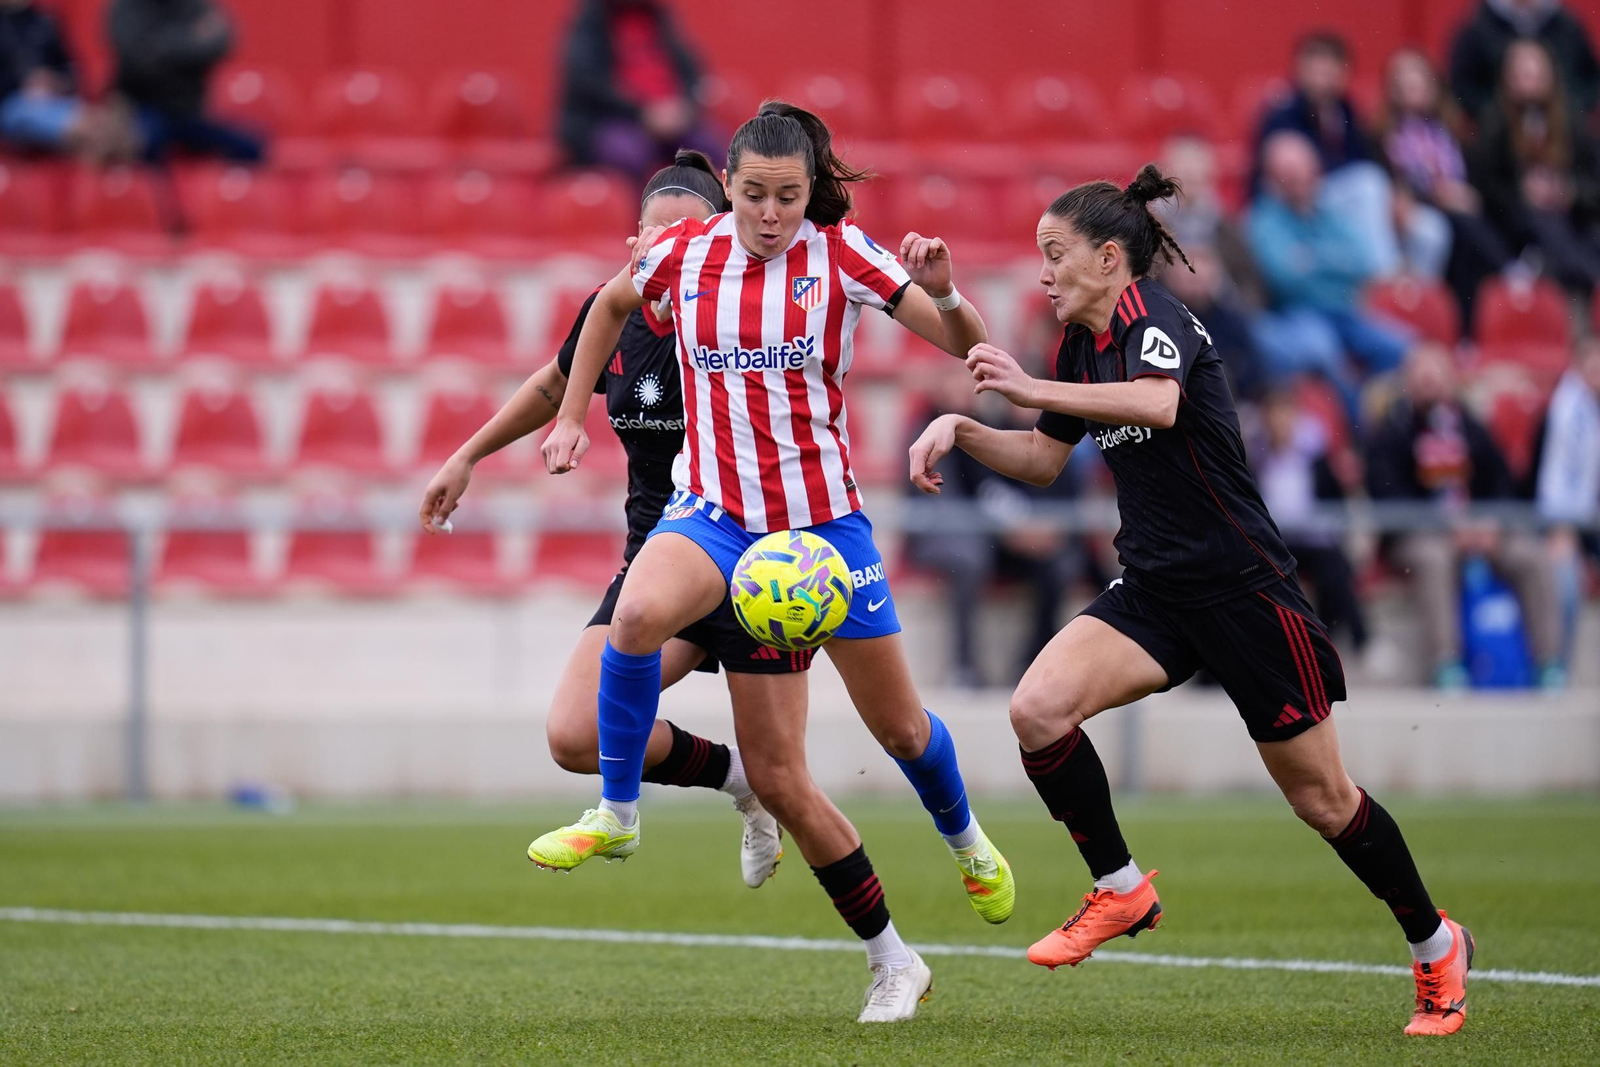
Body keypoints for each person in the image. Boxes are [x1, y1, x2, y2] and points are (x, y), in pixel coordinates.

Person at [908, 165, 1475, 1037]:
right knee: (1038, 709)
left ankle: (1436, 945)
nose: (1045, 273)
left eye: (1055, 255)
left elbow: (1157, 404)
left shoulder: (1157, 320)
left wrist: (1025, 388)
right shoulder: (1076, 349)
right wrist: (965, 430)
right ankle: (1120, 887)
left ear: (1108, 258)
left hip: (1245, 589)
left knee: (1323, 800)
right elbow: (1043, 461)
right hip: (1156, 589)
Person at [531, 101, 1017, 1022]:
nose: (768, 214)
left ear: (810, 191)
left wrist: (948, 292)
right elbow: (608, 303)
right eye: (753, 194)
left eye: (786, 197)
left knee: (899, 730)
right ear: (731, 186)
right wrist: (566, 419)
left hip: (819, 532)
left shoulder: (842, 254)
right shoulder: (687, 249)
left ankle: (967, 842)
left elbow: (963, 345)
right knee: (634, 617)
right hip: (711, 517)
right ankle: (619, 814)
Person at [420, 151, 789, 892]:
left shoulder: (734, 320)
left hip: (744, 550)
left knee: (816, 766)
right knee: (573, 735)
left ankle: (905, 908)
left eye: (692, 234)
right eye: (656, 236)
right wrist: (468, 456)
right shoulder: (611, 314)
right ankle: (742, 783)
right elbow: (556, 382)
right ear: (634, 244)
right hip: (656, 554)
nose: (671, 250)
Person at [1365, 343, 1563, 688]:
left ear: (1451, 380)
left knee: (1530, 557)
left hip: (1479, 531)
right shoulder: (1393, 430)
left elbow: (1502, 480)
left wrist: (1490, 521)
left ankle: (1548, 663)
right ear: (1408, 381)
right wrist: (1443, 524)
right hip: (1418, 535)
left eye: (1436, 374)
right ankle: (1447, 664)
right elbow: (1385, 492)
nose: (1429, 382)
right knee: (1434, 559)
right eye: (1421, 375)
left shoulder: (1469, 426)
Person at [903, 360, 1089, 688]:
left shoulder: (981, 425)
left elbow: (994, 490)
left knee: (1058, 563)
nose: (963, 389)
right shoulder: (923, 429)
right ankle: (964, 669)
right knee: (969, 558)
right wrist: (1010, 528)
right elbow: (941, 501)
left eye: (967, 382)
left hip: (990, 535)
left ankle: (1032, 665)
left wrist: (1023, 528)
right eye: (953, 379)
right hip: (945, 538)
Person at [1253, 31, 1450, 278]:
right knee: (1368, 185)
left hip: (1348, 200)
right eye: (1317, 64)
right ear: (1300, 68)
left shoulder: (1346, 110)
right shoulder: (1283, 114)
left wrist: (1397, 196)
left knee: (1431, 230)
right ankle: (1385, 279)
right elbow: (1274, 176)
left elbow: (1370, 158)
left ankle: (1414, 305)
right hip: (1303, 202)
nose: (1325, 73)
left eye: (1332, 65)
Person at [1248, 131, 1412, 425]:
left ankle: (1384, 412)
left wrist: (1311, 260)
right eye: (1287, 173)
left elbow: (1362, 262)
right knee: (1324, 351)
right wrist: (1333, 262)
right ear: (1272, 178)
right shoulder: (1263, 220)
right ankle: (1359, 424)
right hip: (1296, 315)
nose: (1298, 179)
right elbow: (1284, 277)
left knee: (1403, 348)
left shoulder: (1330, 212)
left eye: (1302, 170)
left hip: (1347, 313)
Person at [1378, 48, 1513, 323]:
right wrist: (1436, 195)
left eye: (1419, 82)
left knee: (1466, 228)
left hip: (1455, 213)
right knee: (1455, 224)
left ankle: (1469, 326)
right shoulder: (1382, 136)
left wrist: (1462, 196)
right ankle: (1510, 271)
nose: (1413, 90)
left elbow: (1470, 185)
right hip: (1414, 215)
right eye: (1405, 83)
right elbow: (1391, 189)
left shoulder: (1452, 135)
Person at [1468, 39, 1600, 293]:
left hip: (1575, 217)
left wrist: (1569, 193)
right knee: (1546, 227)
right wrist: (1524, 195)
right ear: (1507, 77)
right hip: (1519, 227)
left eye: (1535, 72)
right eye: (1521, 72)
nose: (1528, 80)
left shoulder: (1573, 123)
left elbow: (1593, 181)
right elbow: (1484, 187)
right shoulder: (1494, 125)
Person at [1247, 388, 1368, 651]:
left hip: (1312, 538)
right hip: (1272, 542)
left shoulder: (1315, 456)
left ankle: (1339, 639)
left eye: (1286, 414)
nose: (1281, 421)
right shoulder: (1255, 458)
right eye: (1275, 414)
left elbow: (1334, 499)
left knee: (1336, 567)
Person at [556, 0, 722, 181]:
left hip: (672, 119)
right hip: (614, 119)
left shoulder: (658, 18)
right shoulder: (590, 23)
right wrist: (643, 112)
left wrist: (684, 107)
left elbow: (690, 70)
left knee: (711, 150)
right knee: (628, 155)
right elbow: (588, 83)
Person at [106, 0, 264, 163]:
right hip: (140, 109)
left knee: (251, 146)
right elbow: (135, 59)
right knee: (145, 144)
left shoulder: (196, 5)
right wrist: (191, 40)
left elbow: (222, 42)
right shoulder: (126, 7)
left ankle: (225, 188)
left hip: (190, 113)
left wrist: (158, 45)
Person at [1527, 339, 1600, 673]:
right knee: (1565, 580)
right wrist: (1562, 530)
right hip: (1564, 522)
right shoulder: (1565, 411)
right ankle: (1557, 665)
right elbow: (1556, 484)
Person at [0, 0, 130, 158]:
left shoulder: (42, 21)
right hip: (12, 104)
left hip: (59, 101)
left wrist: (55, 84)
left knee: (93, 109)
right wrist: (25, 86)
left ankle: (97, 141)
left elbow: (72, 72)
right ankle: (97, 137)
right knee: (27, 112)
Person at [1449, 0, 1599, 122]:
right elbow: (1462, 85)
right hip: (1496, 138)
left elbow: (1591, 78)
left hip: (1565, 134)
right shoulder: (1478, 24)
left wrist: (1571, 110)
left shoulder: (1567, 23)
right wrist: (1494, 115)